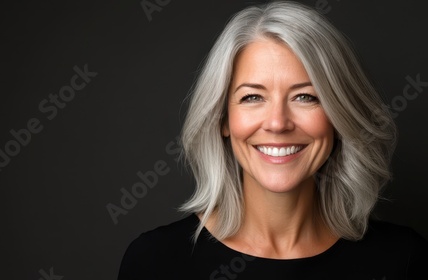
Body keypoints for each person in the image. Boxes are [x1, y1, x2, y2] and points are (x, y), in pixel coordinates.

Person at [118, 1, 428, 279]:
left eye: (305, 97)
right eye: (252, 97)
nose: (278, 123)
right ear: (223, 119)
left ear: (338, 115)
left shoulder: (403, 261)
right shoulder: (154, 263)